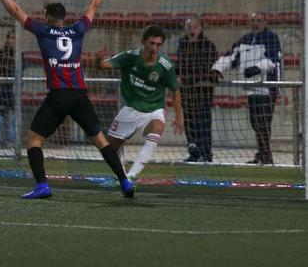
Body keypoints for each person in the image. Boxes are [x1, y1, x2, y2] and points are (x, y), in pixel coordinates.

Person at [0, 0, 134, 199]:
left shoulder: (43, 31)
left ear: (46, 17)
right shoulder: (77, 30)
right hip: (79, 95)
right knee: (100, 140)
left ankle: (42, 186)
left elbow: (15, 10)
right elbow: (93, 6)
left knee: (34, 140)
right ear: (64, 18)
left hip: (58, 96)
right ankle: (125, 181)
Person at [98, 25, 183, 181]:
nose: (154, 48)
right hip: (131, 109)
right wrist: (100, 59)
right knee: (110, 148)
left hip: (154, 109)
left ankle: (131, 176)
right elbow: (104, 65)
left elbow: (175, 91)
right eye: (151, 43)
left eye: (158, 44)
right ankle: (122, 177)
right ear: (143, 42)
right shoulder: (130, 56)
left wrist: (179, 117)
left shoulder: (166, 65)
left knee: (157, 128)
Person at [212, 12, 282, 165]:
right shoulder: (245, 39)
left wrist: (257, 68)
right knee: (255, 122)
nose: (255, 23)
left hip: (267, 88)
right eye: (253, 20)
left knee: (263, 123)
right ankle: (263, 153)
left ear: (265, 21)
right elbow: (231, 57)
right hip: (251, 88)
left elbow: (273, 59)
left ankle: (265, 155)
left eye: (258, 20)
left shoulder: (271, 38)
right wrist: (217, 69)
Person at [176, 16, 219, 162]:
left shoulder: (208, 45)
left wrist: (187, 79)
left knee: (203, 123)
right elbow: (179, 64)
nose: (191, 30)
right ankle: (193, 152)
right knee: (190, 124)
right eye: (188, 27)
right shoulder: (182, 44)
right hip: (187, 91)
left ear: (200, 27)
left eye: (194, 27)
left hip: (202, 92)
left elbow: (206, 70)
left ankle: (206, 154)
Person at [0, 30, 18, 145]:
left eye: (15, 38)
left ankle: (11, 138)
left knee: (13, 112)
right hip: (0, 88)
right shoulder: (1, 54)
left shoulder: (14, 54)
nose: (13, 41)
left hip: (9, 89)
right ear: (7, 39)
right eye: (12, 38)